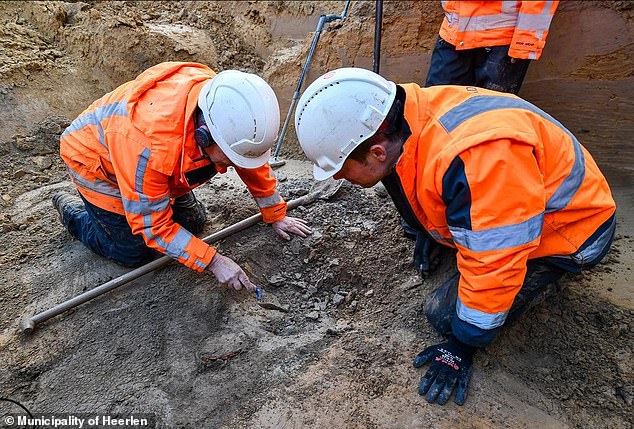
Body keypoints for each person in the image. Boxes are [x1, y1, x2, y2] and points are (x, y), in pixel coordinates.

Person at [294, 68, 616, 405]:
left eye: (343, 168)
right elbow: (405, 172)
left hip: (569, 232)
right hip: (510, 204)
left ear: (376, 152)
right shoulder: (399, 117)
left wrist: (462, 345)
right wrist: (425, 230)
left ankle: (552, 274)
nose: (342, 178)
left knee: (446, 314)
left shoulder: (480, 159)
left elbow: (497, 263)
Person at [55, 61, 311, 292]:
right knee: (132, 252)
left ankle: (155, 198)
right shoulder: (149, 150)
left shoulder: (223, 104)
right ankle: (75, 216)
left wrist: (276, 214)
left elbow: (248, 159)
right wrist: (214, 261)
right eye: (232, 158)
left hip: (146, 158)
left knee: (193, 222)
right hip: (94, 162)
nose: (235, 166)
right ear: (204, 135)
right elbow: (153, 227)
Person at [425, 1, 559, 93]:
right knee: (436, 109)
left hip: (502, 41)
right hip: (453, 33)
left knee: (488, 119)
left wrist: (524, 43)